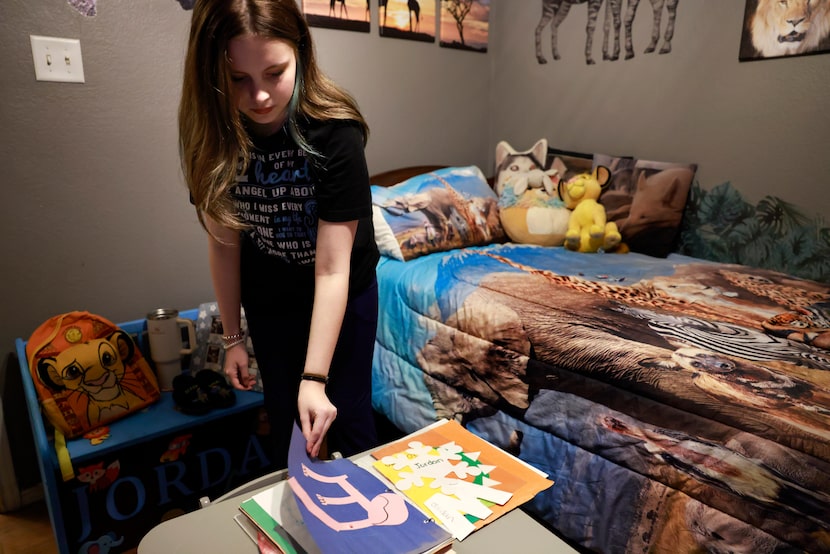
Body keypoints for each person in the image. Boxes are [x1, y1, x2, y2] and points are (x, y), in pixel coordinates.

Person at [179, 0, 379, 468]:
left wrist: (315, 377)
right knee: (289, 424)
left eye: (275, 73)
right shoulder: (210, 140)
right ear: (211, 75)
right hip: (271, 301)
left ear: (301, 54)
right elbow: (224, 247)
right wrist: (233, 340)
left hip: (344, 293)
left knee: (347, 418)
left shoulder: (335, 132)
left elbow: (332, 270)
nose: (261, 96)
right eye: (238, 80)